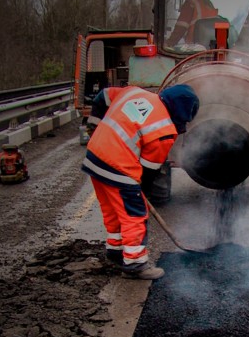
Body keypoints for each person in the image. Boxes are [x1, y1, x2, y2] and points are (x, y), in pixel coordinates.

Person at [81, 84, 199, 280]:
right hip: (119, 168)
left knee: (112, 210)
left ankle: (116, 252)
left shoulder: (134, 92)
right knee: (134, 215)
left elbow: (102, 96)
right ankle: (135, 264)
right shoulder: (164, 131)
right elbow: (148, 172)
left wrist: (94, 124)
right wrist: (138, 192)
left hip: (95, 158)